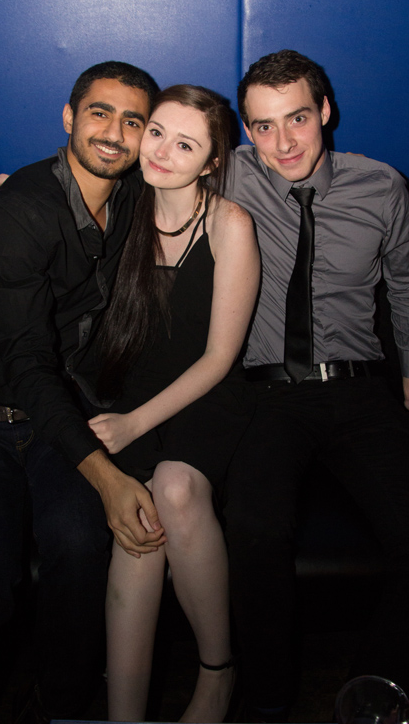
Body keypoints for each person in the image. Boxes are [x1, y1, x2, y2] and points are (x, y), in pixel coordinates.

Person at [0, 61, 165, 724]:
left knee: (80, 550)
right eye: (99, 112)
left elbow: (211, 167)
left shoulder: (136, 196)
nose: (114, 132)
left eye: (133, 121)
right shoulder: (16, 210)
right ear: (68, 117)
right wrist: (107, 478)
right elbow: (28, 363)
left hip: (68, 418)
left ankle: (62, 705)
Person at [223, 49, 409, 721]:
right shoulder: (226, 173)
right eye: (263, 126)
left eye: (297, 118)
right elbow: (126, 165)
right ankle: (265, 705)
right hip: (264, 392)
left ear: (324, 110)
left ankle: (368, 701)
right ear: (246, 131)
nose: (283, 143)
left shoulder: (380, 185)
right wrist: (11, 193)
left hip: (357, 389)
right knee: (253, 532)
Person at [88, 84, 260, 722]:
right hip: (130, 393)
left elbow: (219, 359)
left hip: (205, 395)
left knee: (176, 488)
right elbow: (48, 195)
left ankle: (217, 672)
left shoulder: (229, 224)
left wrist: (133, 425)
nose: (160, 151)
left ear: (212, 162)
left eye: (185, 145)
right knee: (137, 525)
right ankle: (123, 714)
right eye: (155, 132)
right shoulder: (118, 204)